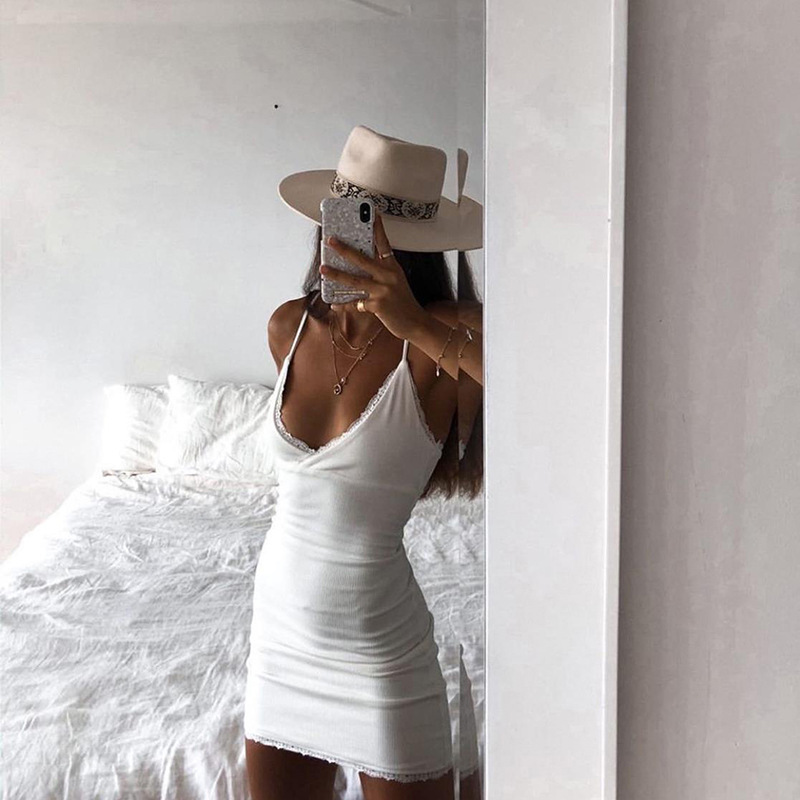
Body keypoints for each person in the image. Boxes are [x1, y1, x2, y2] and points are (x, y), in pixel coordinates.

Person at [243, 125, 484, 800]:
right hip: (278, 640)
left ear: (404, 247)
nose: (340, 240)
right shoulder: (288, 327)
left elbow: (553, 393)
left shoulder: (447, 340)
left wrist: (414, 324)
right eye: (337, 218)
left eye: (363, 228)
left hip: (380, 656)